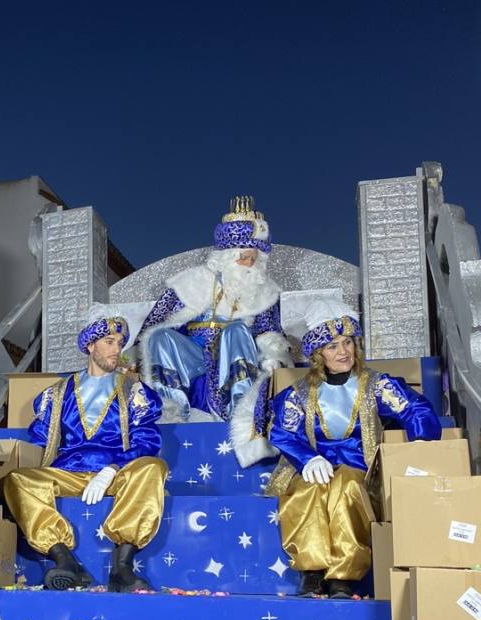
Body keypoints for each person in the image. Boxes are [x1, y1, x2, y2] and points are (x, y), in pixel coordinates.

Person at [239, 299, 441, 597]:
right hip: (314, 466)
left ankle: (342, 577)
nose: (343, 351)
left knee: (347, 489)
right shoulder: (299, 392)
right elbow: (283, 431)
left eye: (347, 342)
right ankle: (312, 572)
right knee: (308, 491)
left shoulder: (375, 384)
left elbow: (415, 409)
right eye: (332, 346)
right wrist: (307, 460)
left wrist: (421, 440)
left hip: (359, 466)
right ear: (318, 353)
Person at [4, 315, 167, 592]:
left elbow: (147, 440)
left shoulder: (133, 390)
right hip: (68, 472)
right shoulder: (57, 394)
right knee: (17, 480)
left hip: (116, 474)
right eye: (109, 342)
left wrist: (112, 469)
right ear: (90, 346)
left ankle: (122, 567)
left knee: (154, 467)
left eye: (120, 343)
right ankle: (65, 561)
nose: (117, 349)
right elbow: (38, 441)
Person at [137, 196, 291, 421]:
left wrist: (272, 353)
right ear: (228, 257)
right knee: (160, 336)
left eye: (254, 259)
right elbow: (158, 320)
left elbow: (271, 333)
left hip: (236, 354)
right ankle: (170, 410)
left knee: (236, 329)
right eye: (244, 258)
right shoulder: (192, 282)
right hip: (194, 355)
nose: (250, 264)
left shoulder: (264, 291)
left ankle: (241, 408)